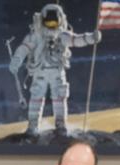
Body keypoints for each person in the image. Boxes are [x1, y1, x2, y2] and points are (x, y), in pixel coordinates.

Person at [8, 4, 100, 136]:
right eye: (48, 22)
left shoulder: (62, 35)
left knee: (59, 98)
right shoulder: (36, 35)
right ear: (42, 21)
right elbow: (24, 48)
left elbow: (76, 40)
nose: (51, 26)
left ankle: (60, 124)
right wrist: (16, 61)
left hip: (57, 72)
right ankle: (33, 125)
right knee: (36, 98)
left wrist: (91, 38)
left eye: (54, 22)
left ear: (60, 21)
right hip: (40, 71)